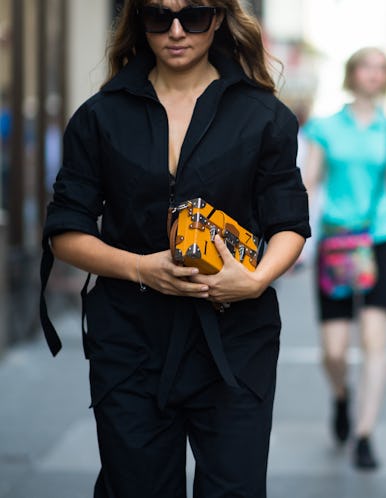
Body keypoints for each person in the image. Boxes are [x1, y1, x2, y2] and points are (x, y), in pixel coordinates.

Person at [39, 1, 310, 496]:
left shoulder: (263, 115)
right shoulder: (100, 117)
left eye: (195, 15)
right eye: (159, 16)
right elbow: (66, 231)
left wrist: (255, 280)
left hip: (235, 339)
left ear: (220, 18)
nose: (177, 30)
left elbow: (289, 222)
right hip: (129, 338)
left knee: (235, 489)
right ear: (139, 23)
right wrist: (142, 268)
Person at [301, 47, 386, 470]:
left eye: (380, 68)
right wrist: (296, 238)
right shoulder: (324, 127)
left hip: (382, 240)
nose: (373, 74)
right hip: (338, 243)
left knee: (374, 341)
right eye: (365, 66)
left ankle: (365, 433)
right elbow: (310, 184)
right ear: (352, 73)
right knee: (333, 350)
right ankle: (341, 396)